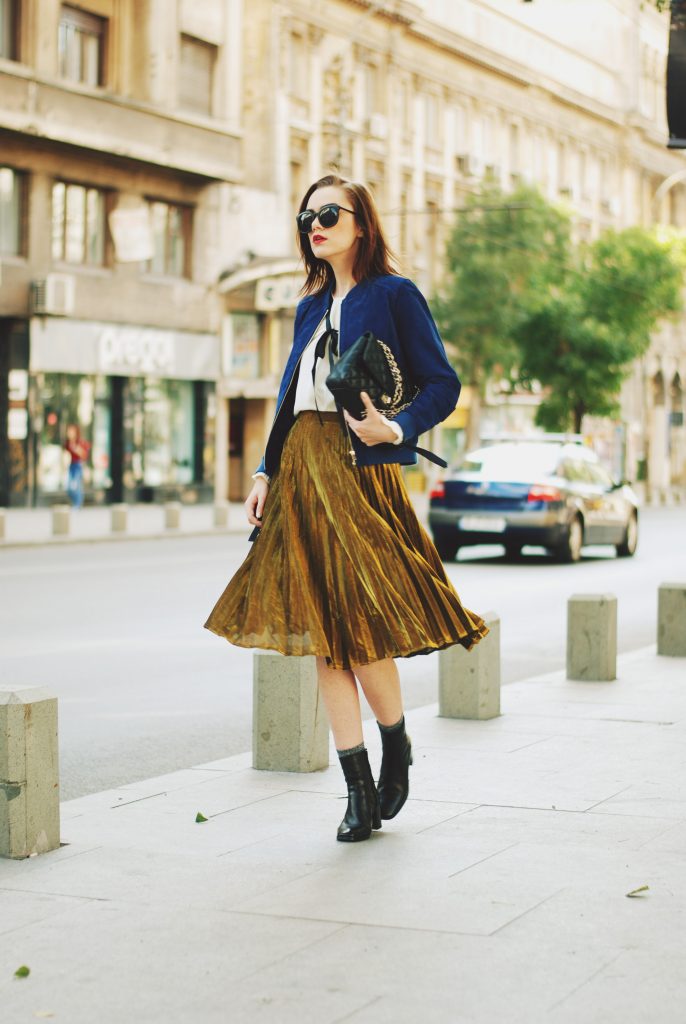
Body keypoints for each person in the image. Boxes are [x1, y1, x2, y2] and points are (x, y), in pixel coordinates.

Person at [205, 174, 488, 843]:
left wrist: (399, 428)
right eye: (307, 215)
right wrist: (266, 471)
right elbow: (287, 396)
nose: (316, 224)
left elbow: (441, 383)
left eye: (329, 212)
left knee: (358, 628)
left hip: (359, 471)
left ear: (362, 222)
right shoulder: (308, 306)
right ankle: (356, 787)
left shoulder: (394, 294)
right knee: (323, 639)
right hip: (301, 469)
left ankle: (396, 744)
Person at [64, 424, 89, 509]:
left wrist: (75, 448)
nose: (69, 433)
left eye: (71, 431)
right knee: (69, 486)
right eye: (68, 431)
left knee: (76, 485)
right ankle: (76, 503)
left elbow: (84, 455)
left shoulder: (80, 442)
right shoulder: (67, 443)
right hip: (71, 465)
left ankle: (77, 505)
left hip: (78, 465)